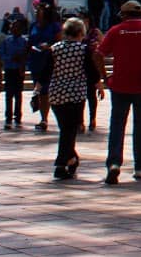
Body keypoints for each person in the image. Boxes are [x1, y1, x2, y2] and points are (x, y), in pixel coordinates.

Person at [98, 0, 141, 184]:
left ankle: (114, 164)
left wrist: (104, 77)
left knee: (117, 125)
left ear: (124, 14)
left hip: (119, 85)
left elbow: (99, 54)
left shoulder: (115, 30)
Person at [46, 17, 103, 179]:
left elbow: (47, 70)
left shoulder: (55, 48)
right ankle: (61, 163)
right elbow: (90, 70)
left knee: (66, 128)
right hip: (75, 95)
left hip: (56, 94)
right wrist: (99, 84)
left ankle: (71, 159)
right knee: (69, 129)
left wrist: (37, 90)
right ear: (80, 32)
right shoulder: (82, 49)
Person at [27, 2, 63, 131]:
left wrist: (48, 46)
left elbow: (59, 42)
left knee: (47, 90)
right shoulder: (33, 26)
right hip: (35, 60)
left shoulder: (54, 27)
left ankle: (47, 118)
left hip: (49, 61)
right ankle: (42, 117)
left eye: (39, 11)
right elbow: (29, 41)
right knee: (39, 90)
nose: (36, 13)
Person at [0, 17, 30, 130]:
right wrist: (11, 58)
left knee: (18, 94)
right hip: (9, 69)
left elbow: (27, 55)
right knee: (9, 94)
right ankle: (8, 117)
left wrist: (23, 63)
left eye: (17, 27)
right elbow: (2, 54)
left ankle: (18, 117)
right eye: (12, 27)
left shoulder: (24, 41)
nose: (14, 29)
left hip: (19, 69)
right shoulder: (6, 41)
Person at [83, 11, 104, 131]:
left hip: (92, 67)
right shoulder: (78, 32)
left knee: (91, 95)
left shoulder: (95, 32)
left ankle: (92, 118)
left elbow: (103, 44)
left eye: (85, 19)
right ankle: (79, 120)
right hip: (80, 67)